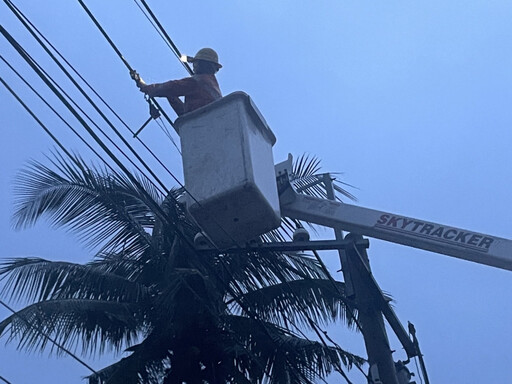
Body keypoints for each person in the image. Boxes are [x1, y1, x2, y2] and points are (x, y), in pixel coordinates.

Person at [138, 48, 222, 116]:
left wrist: (147, 88)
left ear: (203, 64)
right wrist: (170, 96)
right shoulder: (212, 86)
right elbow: (185, 114)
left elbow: (171, 87)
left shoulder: (199, 81)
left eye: (195, 63)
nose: (193, 66)